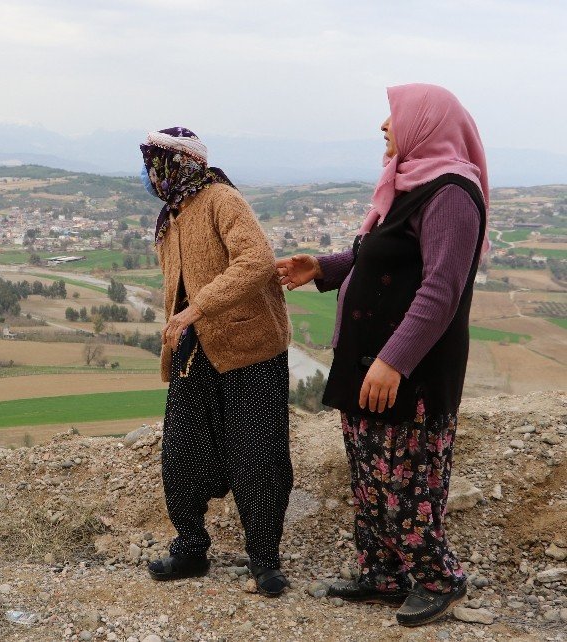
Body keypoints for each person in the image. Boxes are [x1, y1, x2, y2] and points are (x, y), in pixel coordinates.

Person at [276, 84, 488, 627]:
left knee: (405, 479)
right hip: (372, 362)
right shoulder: (410, 183)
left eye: (393, 115)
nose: (383, 126)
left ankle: (440, 579)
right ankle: (383, 574)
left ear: (425, 124)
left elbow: (441, 290)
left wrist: (394, 360)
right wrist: (323, 267)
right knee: (370, 473)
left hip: (410, 371)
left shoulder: (450, 193)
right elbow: (380, 256)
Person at [141, 127, 294, 597]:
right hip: (193, 353)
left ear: (179, 164)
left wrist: (197, 309)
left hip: (251, 347)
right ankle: (191, 546)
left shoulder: (220, 199)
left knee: (257, 454)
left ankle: (265, 559)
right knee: (182, 451)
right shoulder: (172, 216)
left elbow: (256, 260)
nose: (149, 173)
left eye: (157, 161)